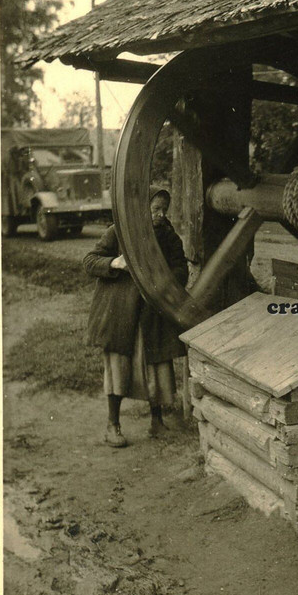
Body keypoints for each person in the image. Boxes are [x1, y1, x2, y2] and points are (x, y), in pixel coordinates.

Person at [84, 186, 189, 448]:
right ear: (142, 208)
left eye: (164, 210)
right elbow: (90, 260)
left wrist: (165, 279)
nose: (161, 215)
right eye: (155, 209)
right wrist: (114, 263)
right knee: (119, 367)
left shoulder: (168, 237)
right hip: (121, 313)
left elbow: (181, 268)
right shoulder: (118, 231)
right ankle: (113, 425)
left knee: (156, 365)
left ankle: (157, 422)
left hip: (152, 312)